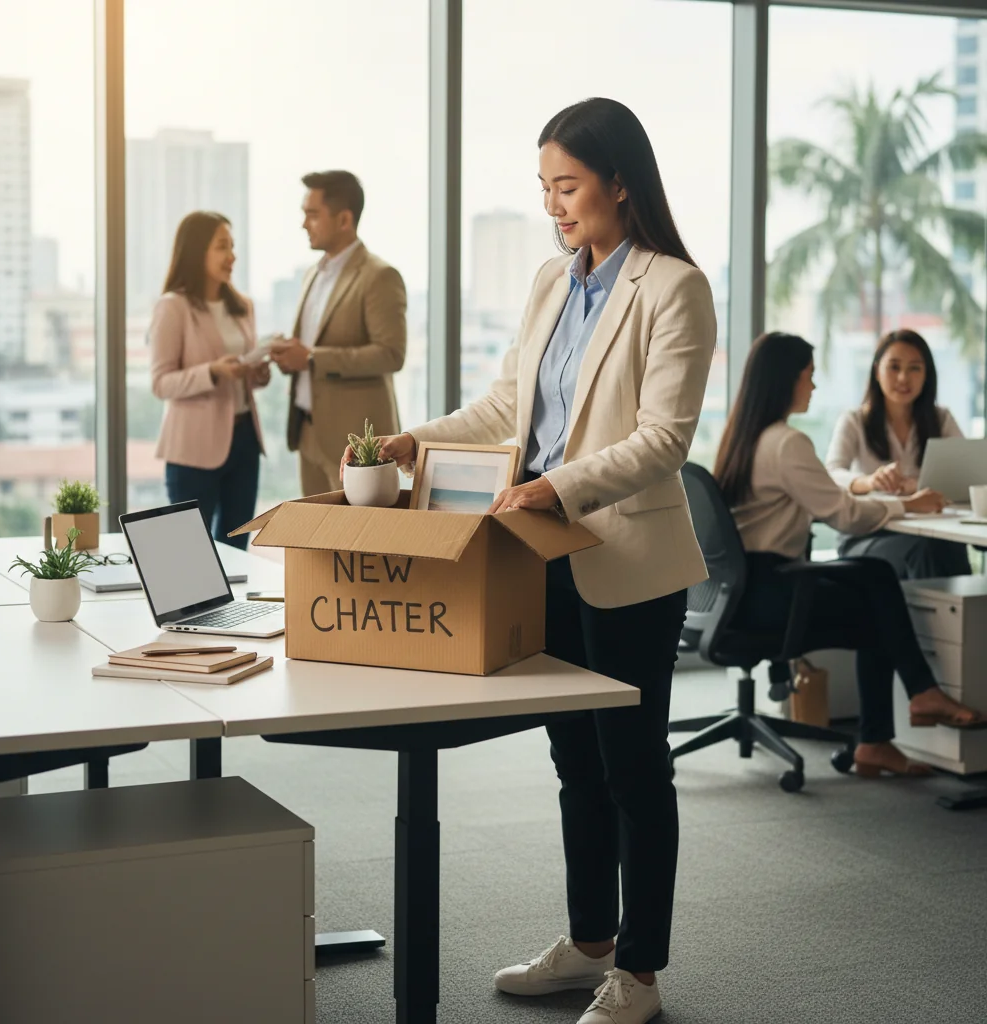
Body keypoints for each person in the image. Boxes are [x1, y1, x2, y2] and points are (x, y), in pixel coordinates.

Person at [343, 98, 716, 1024]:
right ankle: (590, 941)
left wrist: (557, 488)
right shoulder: (555, 282)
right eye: (544, 188)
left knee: (634, 769)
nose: (555, 205)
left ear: (620, 182)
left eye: (568, 186)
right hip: (542, 554)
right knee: (574, 763)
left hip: (627, 557)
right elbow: (509, 407)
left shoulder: (674, 287)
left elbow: (664, 439)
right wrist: (412, 442)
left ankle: (641, 971)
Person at [713, 332, 985, 779]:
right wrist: (906, 504)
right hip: (772, 590)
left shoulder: (744, 437)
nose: (814, 387)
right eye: (810, 377)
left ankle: (905, 713)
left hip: (746, 587)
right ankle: (895, 722)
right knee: (880, 605)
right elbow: (843, 514)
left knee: (876, 575)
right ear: (787, 381)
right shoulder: (786, 443)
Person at [270, 170, 406, 496]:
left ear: (344, 219)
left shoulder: (379, 276)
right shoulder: (311, 275)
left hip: (355, 440)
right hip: (307, 431)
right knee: (316, 541)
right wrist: (291, 356)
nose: (304, 224)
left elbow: (391, 353)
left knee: (362, 541)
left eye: (312, 215)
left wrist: (313, 358)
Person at [149, 211, 269, 550]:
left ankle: (234, 608)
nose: (232, 256)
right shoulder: (173, 307)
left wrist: (257, 373)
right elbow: (161, 383)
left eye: (232, 247)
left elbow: (245, 377)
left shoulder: (242, 305)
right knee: (189, 553)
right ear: (196, 251)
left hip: (244, 439)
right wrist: (212, 372)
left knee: (236, 548)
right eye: (222, 247)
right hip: (193, 448)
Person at [826, 328, 970, 578]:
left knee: (950, 548)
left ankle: (964, 617)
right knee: (925, 550)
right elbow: (830, 474)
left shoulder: (941, 419)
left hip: (931, 531)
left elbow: (966, 475)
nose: (904, 378)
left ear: (927, 375)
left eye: (915, 368)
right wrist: (867, 482)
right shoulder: (855, 420)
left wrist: (919, 485)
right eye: (894, 367)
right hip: (869, 534)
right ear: (876, 370)